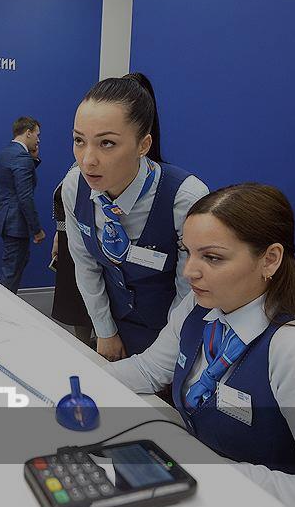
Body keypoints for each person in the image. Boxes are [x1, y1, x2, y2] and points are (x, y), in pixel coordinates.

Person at [107, 183, 295, 507]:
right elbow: (147, 370)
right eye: (188, 252)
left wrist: (211, 471)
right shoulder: (199, 308)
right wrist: (73, 381)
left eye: (212, 257)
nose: (189, 271)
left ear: (270, 259)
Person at [62, 73, 209, 360]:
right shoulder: (74, 187)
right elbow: (85, 265)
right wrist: (105, 332)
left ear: (143, 145)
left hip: (172, 333)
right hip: (112, 328)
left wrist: (164, 354)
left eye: (107, 143)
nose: (88, 160)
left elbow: (189, 291)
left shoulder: (185, 197)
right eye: (79, 140)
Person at [0, 116, 45, 292]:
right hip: (16, 223)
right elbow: (25, 197)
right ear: (28, 133)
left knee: (13, 266)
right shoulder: (22, 158)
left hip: (5, 218)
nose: (38, 139)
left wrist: (33, 160)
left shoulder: (4, 154)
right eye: (37, 134)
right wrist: (36, 230)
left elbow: (15, 182)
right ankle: (3, 307)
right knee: (12, 272)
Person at [51, 167, 95, 347]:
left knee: (90, 292)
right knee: (77, 298)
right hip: (68, 239)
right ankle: (85, 346)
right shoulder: (76, 168)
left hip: (89, 240)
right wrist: (58, 235)